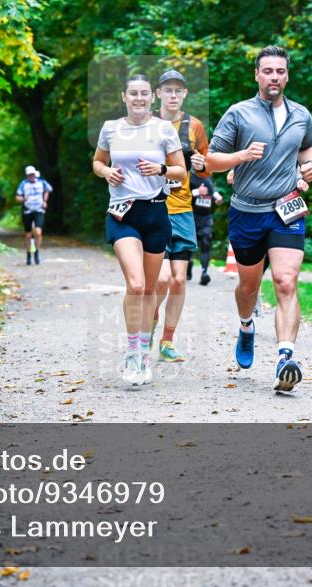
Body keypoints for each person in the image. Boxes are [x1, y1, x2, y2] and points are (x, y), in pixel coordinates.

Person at [205, 46, 312, 393]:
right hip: (246, 213)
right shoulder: (239, 113)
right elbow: (211, 160)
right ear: (257, 75)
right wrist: (241, 156)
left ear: (287, 75)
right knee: (248, 288)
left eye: (280, 71)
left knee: (286, 281)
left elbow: (307, 146)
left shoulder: (301, 115)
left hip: (286, 210)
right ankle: (246, 326)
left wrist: (308, 167)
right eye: (267, 71)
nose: (274, 77)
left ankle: (285, 359)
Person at [92, 74, 187, 386]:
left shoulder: (163, 129)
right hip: (123, 214)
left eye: (144, 93)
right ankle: (133, 352)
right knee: (135, 285)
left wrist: (160, 169)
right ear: (124, 96)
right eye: (133, 93)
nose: (139, 98)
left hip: (155, 212)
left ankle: (144, 352)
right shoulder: (111, 128)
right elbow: (97, 162)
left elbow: (181, 171)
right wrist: (107, 172)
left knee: (149, 289)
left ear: (152, 97)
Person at [150, 69, 211, 364]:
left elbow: (207, 169)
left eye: (178, 90)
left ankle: (167, 340)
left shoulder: (194, 126)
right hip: (153, 207)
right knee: (161, 280)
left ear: (184, 94)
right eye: (168, 90)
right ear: (158, 93)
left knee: (178, 281)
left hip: (183, 209)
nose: (173, 95)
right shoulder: (145, 124)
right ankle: (149, 324)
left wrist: (201, 165)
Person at [188, 171, 223, 285]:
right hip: (191, 217)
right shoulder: (189, 176)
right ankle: (188, 265)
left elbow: (212, 190)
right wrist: (197, 192)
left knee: (206, 242)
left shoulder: (209, 176)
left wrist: (217, 197)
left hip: (206, 218)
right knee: (189, 245)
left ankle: (204, 273)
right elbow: (181, 195)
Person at [15, 165, 52, 265]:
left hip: (39, 210)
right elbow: (17, 197)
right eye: (29, 175)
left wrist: (45, 201)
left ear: (35, 174)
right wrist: (23, 199)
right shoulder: (23, 184)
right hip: (27, 210)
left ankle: (36, 252)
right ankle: (28, 254)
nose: (31, 176)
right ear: (27, 175)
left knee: (38, 232)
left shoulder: (41, 182)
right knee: (28, 235)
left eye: (32, 174)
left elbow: (48, 190)